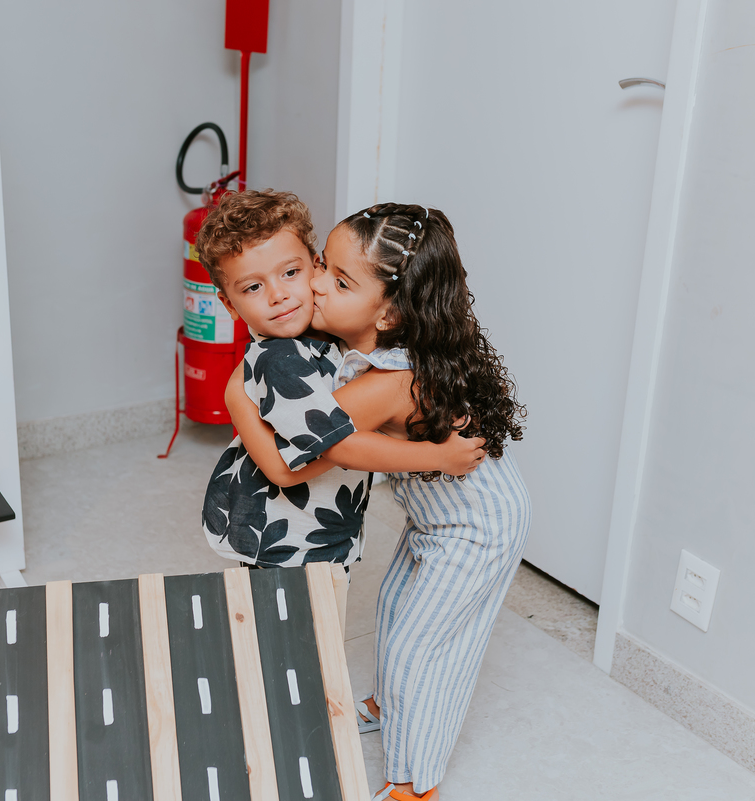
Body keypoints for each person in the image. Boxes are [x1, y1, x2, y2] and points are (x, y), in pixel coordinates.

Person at [237, 202, 531, 800]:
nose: (315, 284)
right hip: (437, 519)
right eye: (321, 265)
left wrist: (236, 395)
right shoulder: (374, 337)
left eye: (338, 282)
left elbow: (299, 457)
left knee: (420, 647)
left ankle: (414, 784)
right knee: (395, 611)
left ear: (391, 313)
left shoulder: (386, 384)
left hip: (477, 526)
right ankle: (387, 702)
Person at [197, 190, 486, 585]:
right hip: (287, 539)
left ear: (315, 266)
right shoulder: (279, 361)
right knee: (301, 633)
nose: (279, 295)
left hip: (318, 527)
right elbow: (338, 446)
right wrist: (437, 457)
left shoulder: (319, 330)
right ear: (229, 305)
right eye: (252, 288)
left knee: (309, 630)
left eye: (290, 273)